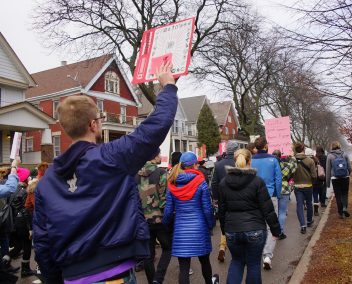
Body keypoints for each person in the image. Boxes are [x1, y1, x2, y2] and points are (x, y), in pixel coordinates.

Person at [32, 62, 178, 284]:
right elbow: (155, 128)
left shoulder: (46, 180)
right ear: (93, 125)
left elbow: (42, 240)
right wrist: (168, 87)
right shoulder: (111, 157)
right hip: (113, 273)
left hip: (72, 276)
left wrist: (54, 279)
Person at [219, 149, 281, 284]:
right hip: (255, 230)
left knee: (236, 262)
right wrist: (276, 230)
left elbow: (222, 210)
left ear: (235, 161)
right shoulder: (257, 181)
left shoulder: (224, 183)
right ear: (249, 161)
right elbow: (268, 209)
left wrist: (225, 230)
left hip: (232, 230)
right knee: (253, 264)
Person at [163, 151, 218, 284]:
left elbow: (168, 211)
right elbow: (207, 208)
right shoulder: (201, 183)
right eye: (197, 164)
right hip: (199, 228)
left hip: (181, 229)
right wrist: (211, 224)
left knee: (184, 268)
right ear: (194, 165)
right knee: (205, 261)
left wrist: (165, 225)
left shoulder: (172, 183)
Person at [136, 149, 171, 284]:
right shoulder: (161, 173)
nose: (161, 157)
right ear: (154, 156)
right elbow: (164, 199)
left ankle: (152, 281)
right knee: (167, 248)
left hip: (143, 220)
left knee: (148, 255)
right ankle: (158, 278)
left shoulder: (135, 175)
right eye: (159, 154)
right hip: (159, 219)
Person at [251, 137, 282, 270]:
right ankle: (267, 255)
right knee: (271, 226)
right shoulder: (273, 160)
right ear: (265, 146)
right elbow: (278, 179)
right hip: (270, 196)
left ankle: (257, 252)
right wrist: (278, 194)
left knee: (258, 225)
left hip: (254, 197)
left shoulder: (251, 160)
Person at [211, 141, 239, 262]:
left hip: (223, 200)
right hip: (239, 198)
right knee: (238, 223)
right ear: (237, 150)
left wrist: (216, 198)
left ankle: (223, 246)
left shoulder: (218, 164)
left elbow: (214, 183)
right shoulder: (240, 163)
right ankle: (235, 249)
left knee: (225, 224)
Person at [9, 167, 36, 278]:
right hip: (23, 222)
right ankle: (25, 270)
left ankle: (5, 262)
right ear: (25, 179)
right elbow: (25, 210)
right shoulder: (25, 192)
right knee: (26, 246)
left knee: (19, 245)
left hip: (14, 221)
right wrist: (30, 227)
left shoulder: (13, 190)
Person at [0, 159, 20, 277]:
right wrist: (13, 168)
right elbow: (10, 189)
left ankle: (5, 265)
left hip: (3, 220)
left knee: (5, 240)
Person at [272, 150, 297, 239]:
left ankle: (274, 231)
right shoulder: (287, 165)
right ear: (281, 156)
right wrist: (291, 156)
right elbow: (294, 166)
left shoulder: (271, 166)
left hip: (274, 189)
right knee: (282, 212)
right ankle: (280, 232)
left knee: (274, 212)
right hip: (284, 189)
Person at [292, 143, 317, 234]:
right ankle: (309, 221)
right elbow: (314, 175)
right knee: (309, 203)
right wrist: (312, 182)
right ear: (303, 149)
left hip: (297, 186)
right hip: (308, 186)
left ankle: (303, 225)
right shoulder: (310, 161)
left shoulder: (292, 161)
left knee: (299, 205)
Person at [326, 141, 352, 218]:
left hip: (335, 178)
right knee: (345, 194)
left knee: (338, 195)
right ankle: (344, 208)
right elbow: (350, 167)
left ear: (332, 147)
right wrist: (348, 174)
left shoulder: (330, 156)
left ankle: (340, 212)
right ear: (339, 146)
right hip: (345, 177)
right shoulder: (344, 154)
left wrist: (327, 182)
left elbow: (328, 169)